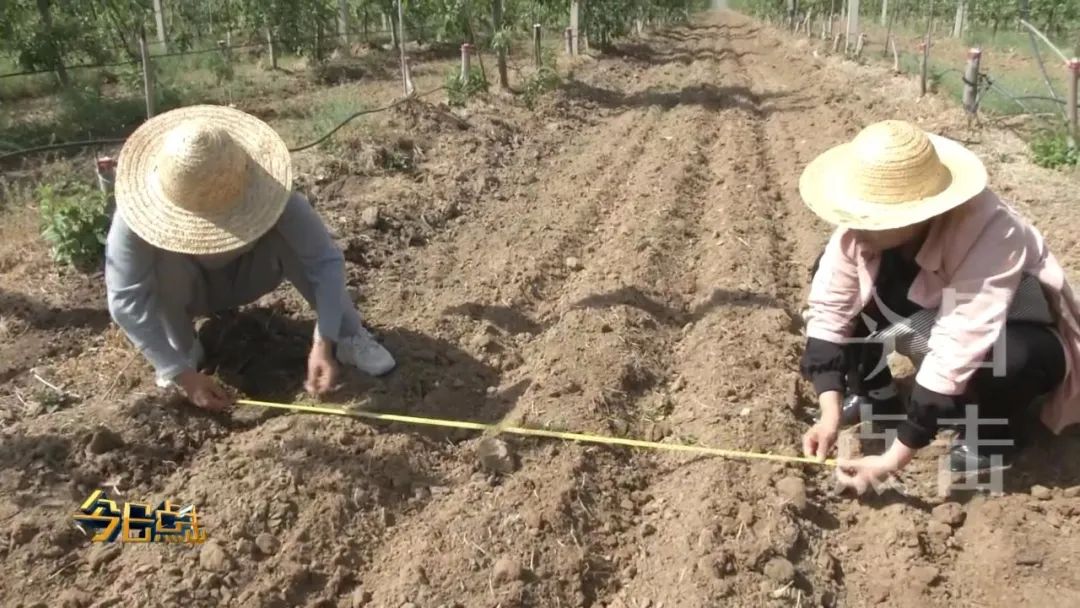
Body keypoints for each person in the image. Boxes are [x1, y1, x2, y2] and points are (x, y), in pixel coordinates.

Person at [796, 119, 1080, 494]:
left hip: (1015, 325)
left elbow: (962, 339)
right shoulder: (863, 233)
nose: (854, 225)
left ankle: (992, 430)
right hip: (936, 312)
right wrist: (828, 414)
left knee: (1007, 360)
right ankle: (874, 395)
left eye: (868, 216)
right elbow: (831, 310)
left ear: (916, 213)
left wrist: (892, 458)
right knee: (836, 277)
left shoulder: (991, 232)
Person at [105, 104, 396, 411]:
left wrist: (324, 340)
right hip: (190, 289)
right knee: (161, 264)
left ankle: (348, 336)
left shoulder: (271, 192)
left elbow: (325, 262)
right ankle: (183, 348)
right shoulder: (135, 219)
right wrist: (181, 374)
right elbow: (125, 300)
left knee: (288, 239)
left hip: (252, 274)